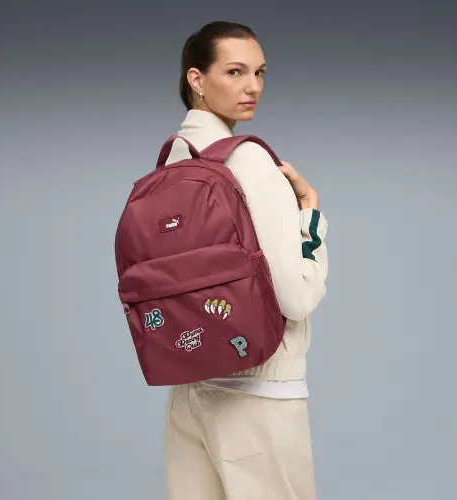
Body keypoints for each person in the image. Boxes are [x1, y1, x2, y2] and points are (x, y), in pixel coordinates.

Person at [162, 21, 329, 500]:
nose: (252, 86)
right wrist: (311, 216)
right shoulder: (250, 161)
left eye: (259, 72)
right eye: (235, 72)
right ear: (197, 79)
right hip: (261, 398)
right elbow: (296, 298)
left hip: (189, 392)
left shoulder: (173, 160)